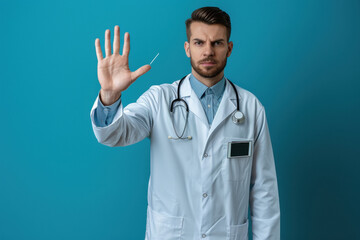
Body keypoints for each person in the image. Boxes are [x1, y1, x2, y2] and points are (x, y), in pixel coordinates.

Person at [90, 6, 280, 240]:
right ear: (187, 48)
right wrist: (109, 96)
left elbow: (264, 192)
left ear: (229, 48)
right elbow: (114, 134)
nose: (208, 51)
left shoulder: (251, 108)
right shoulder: (159, 99)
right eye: (199, 43)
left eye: (217, 43)